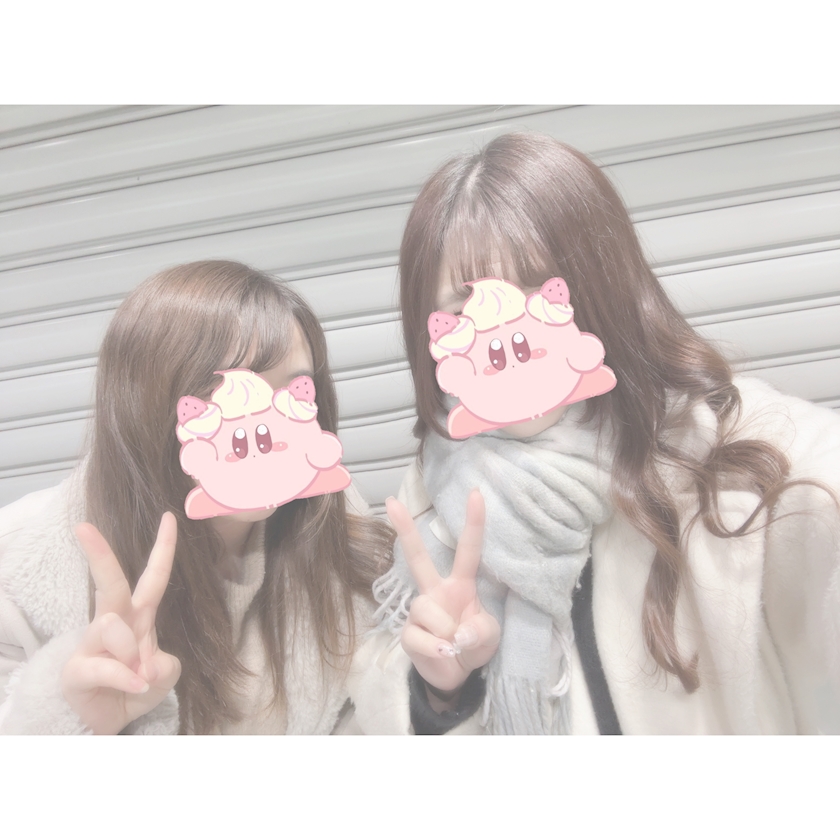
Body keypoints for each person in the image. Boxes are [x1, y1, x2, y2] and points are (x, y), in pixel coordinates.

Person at [369, 132, 840, 735]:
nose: (504, 338)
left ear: (602, 287)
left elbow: (815, 474)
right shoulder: (433, 491)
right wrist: (444, 695)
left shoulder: (721, 451)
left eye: (536, 293)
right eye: (466, 311)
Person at [0, 260, 395, 735]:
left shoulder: (335, 529)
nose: (270, 430)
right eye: (233, 401)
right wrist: (72, 720)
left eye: (292, 393)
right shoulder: (17, 571)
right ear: (148, 409)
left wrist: (439, 694)